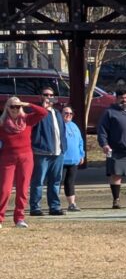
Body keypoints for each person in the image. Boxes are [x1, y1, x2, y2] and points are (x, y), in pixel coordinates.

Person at [0, 97, 47, 229]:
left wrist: (28, 104)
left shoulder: (27, 119)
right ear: (6, 108)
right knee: (4, 189)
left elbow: (43, 112)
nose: (15, 109)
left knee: (23, 189)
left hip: (26, 157)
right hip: (7, 158)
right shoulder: (2, 123)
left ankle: (19, 218)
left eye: (17, 106)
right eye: (12, 106)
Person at [98, 89, 126, 209]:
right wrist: (104, 144)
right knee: (116, 174)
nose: (124, 100)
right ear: (116, 99)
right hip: (117, 149)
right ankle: (116, 200)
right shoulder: (109, 112)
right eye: (122, 98)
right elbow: (102, 130)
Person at [28, 87, 66, 216]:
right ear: (41, 97)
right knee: (38, 181)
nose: (48, 97)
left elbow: (62, 132)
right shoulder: (37, 113)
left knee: (55, 181)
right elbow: (32, 126)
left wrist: (63, 148)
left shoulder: (57, 113)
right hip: (42, 152)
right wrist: (42, 110)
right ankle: (35, 207)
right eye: (46, 95)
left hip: (58, 152)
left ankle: (54, 206)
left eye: (51, 95)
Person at [60, 106, 85, 212]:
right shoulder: (58, 125)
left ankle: (72, 204)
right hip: (61, 159)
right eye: (66, 113)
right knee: (57, 182)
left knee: (70, 182)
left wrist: (81, 155)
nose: (68, 115)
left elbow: (80, 142)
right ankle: (54, 204)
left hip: (74, 159)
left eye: (70, 114)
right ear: (61, 114)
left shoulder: (74, 126)